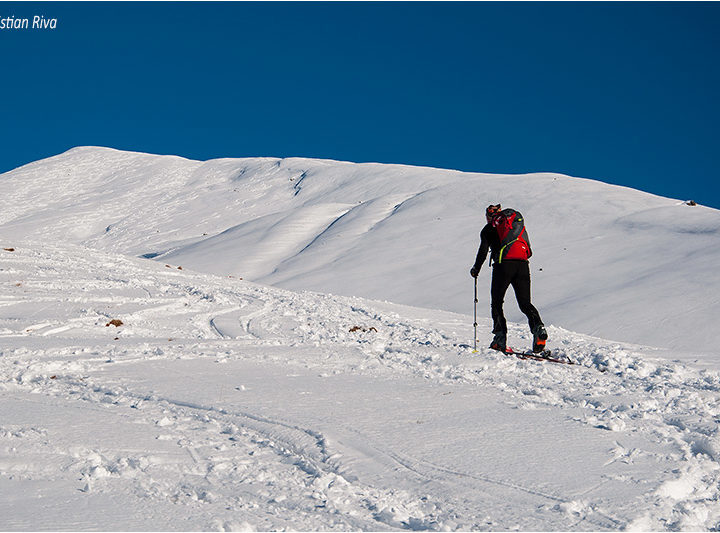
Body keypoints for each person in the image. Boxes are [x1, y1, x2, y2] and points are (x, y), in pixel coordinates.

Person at [470, 204, 547, 353]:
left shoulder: (488, 229)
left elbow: (483, 251)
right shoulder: (514, 228)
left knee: (497, 303)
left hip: (503, 266)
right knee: (525, 303)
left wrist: (476, 269)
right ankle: (539, 330)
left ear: (488, 217)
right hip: (523, 265)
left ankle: (500, 339)